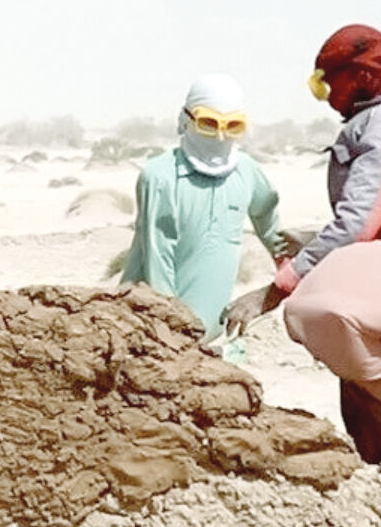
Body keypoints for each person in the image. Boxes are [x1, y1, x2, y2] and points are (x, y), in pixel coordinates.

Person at [224, 24, 381, 472]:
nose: (327, 93)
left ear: (360, 78)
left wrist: (274, 293)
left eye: (327, 81)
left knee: (312, 312)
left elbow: (357, 224)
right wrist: (315, 242)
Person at [120, 73, 289, 342]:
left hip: (211, 337)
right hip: (153, 331)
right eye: (208, 123)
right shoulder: (160, 176)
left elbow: (274, 233)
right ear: (186, 120)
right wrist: (171, 330)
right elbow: (158, 260)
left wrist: (285, 283)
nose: (221, 136)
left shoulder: (247, 171)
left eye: (232, 126)